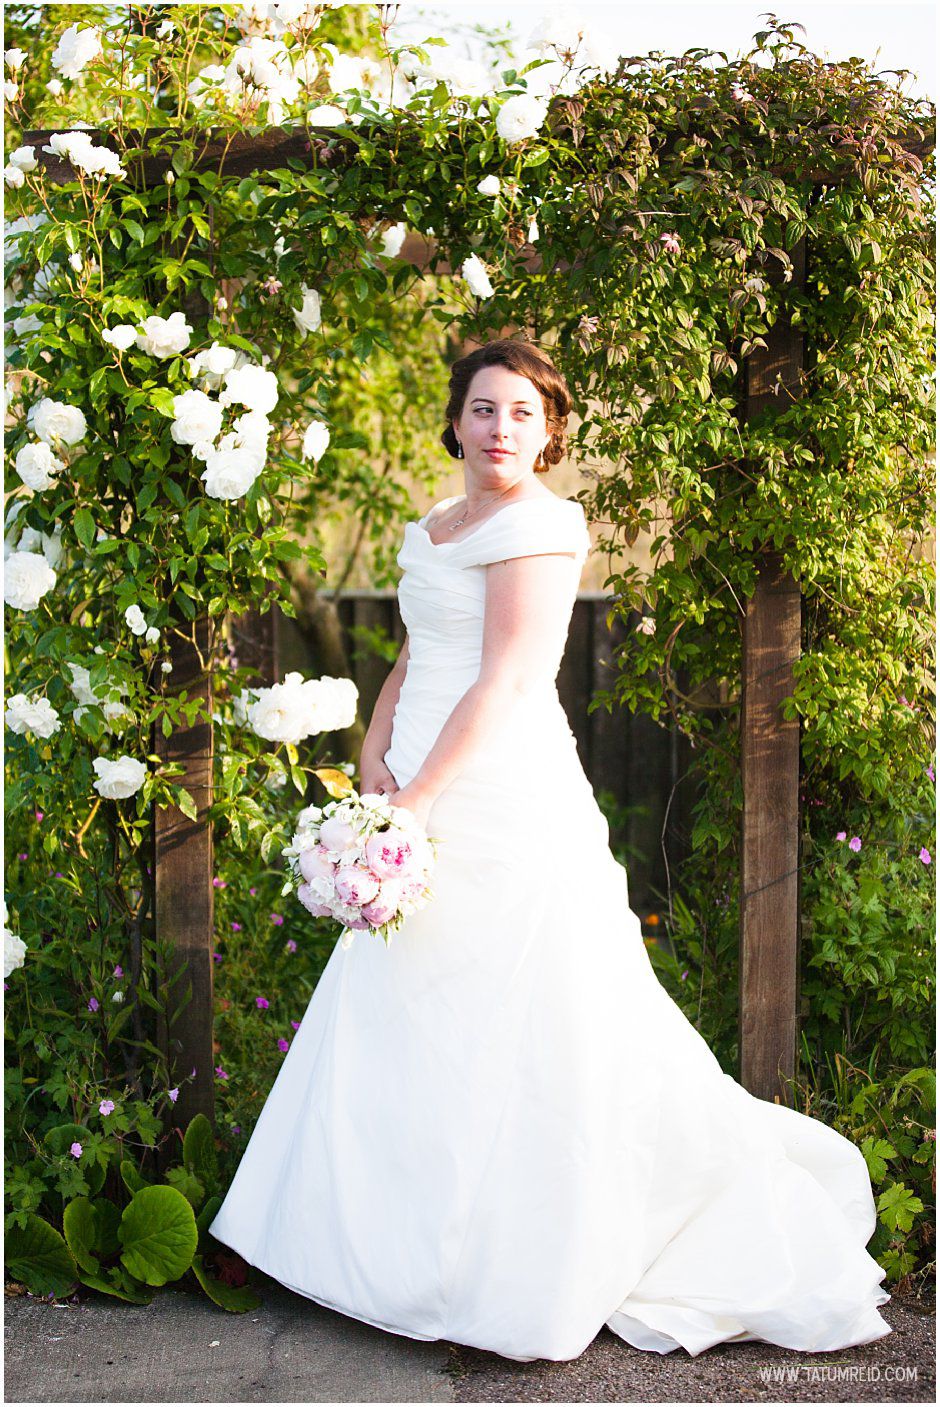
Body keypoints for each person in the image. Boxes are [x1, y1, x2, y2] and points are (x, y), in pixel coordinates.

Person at [209, 338, 892, 1362]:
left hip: (497, 789)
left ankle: (513, 1265)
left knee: (523, 1007)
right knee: (396, 998)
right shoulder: (433, 526)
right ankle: (346, 1249)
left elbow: (512, 677)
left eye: (521, 413)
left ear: (549, 428)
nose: (499, 429)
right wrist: (372, 759)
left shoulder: (542, 524)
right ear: (454, 420)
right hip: (412, 774)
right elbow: (413, 654)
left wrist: (422, 801)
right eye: (483, 409)